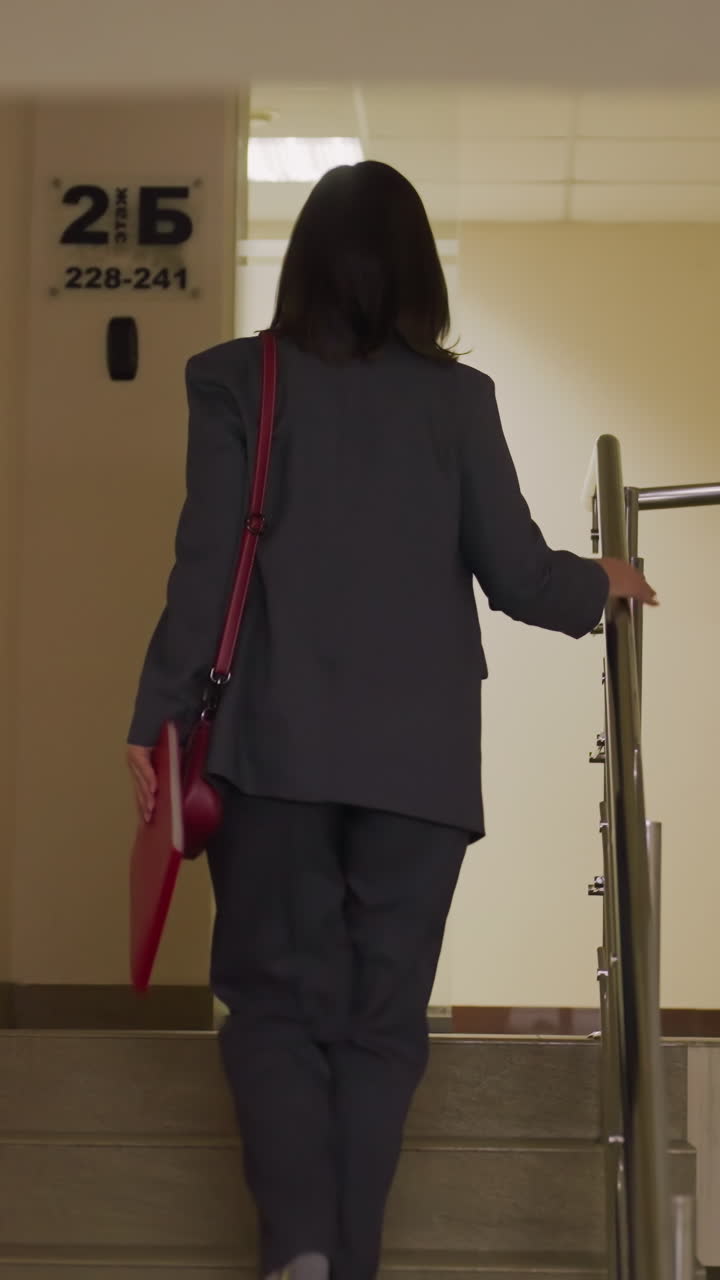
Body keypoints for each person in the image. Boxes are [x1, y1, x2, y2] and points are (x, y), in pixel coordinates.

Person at [126, 160, 655, 1280]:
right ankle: (345, 1262)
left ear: (303, 261)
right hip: (417, 766)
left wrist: (160, 715)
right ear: (420, 271)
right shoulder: (458, 400)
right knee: (379, 1024)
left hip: (269, 751)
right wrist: (601, 580)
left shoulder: (236, 379)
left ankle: (302, 1253)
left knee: (275, 1011)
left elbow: (203, 563)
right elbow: (514, 572)